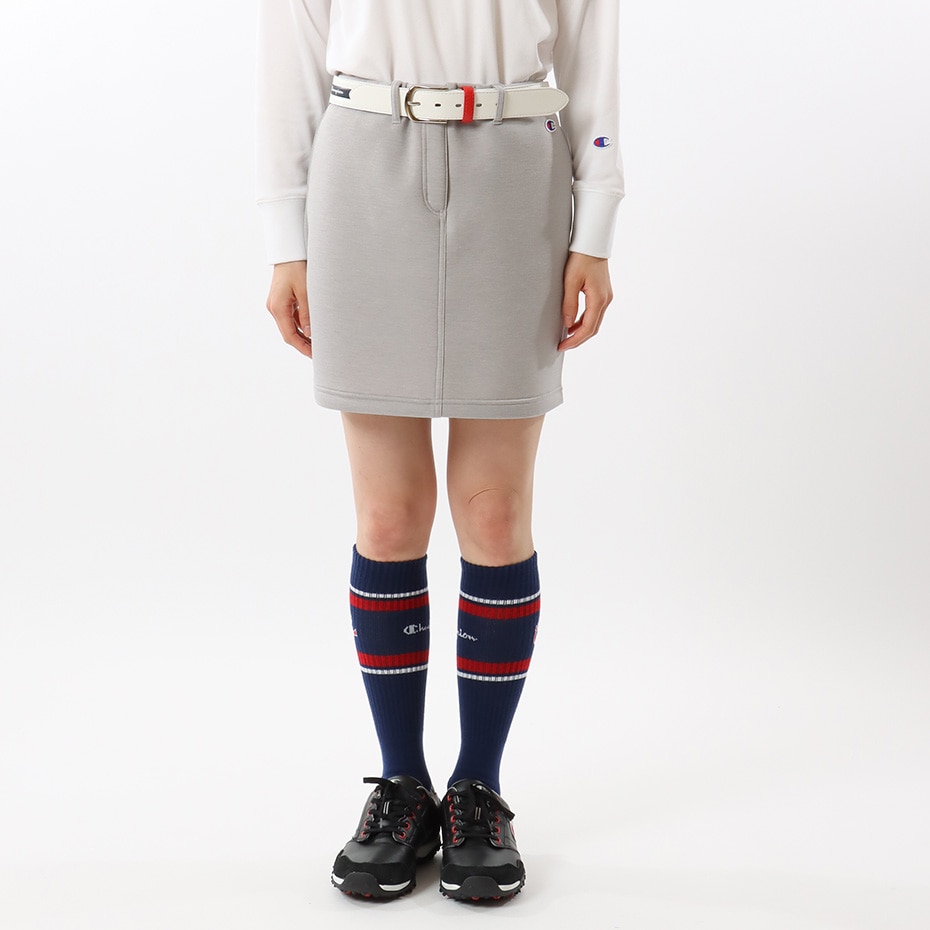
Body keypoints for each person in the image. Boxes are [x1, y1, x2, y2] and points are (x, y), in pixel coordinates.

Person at [255, 0, 623, 903]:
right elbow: (290, 54)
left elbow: (593, 47)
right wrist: (284, 238)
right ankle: (402, 786)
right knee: (387, 516)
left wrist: (597, 226)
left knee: (495, 512)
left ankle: (478, 789)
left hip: (516, 170)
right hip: (364, 165)